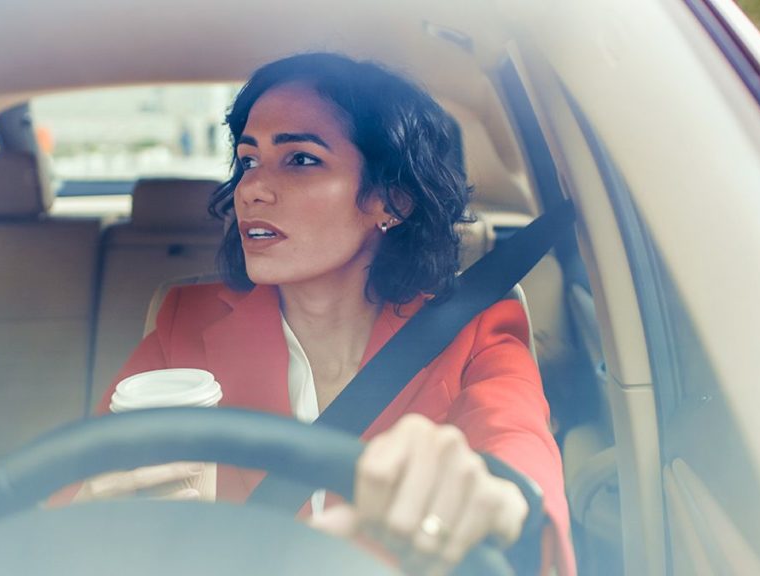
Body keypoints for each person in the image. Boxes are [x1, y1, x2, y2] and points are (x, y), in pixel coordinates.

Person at [87, 52, 573, 575]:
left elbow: (515, 443)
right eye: (248, 160)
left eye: (300, 159)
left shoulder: (475, 329)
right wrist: (90, 510)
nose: (251, 188)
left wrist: (497, 497)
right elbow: (78, 486)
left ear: (393, 200)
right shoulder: (184, 321)